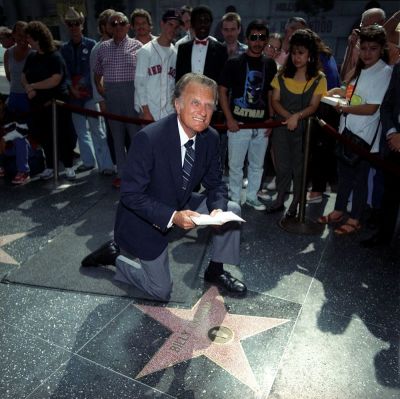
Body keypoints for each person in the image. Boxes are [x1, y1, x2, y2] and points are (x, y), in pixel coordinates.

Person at [81, 73, 247, 301]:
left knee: (232, 209)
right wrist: (173, 216)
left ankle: (216, 270)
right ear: (177, 104)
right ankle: (113, 258)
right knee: (160, 290)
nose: (203, 111)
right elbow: (130, 195)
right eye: (195, 102)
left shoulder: (210, 138)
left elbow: (215, 183)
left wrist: (217, 209)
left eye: (209, 105)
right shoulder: (149, 139)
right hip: (145, 218)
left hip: (180, 199)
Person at [318, 25, 392, 235]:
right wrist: (339, 91)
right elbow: (351, 92)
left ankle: (356, 218)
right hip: (346, 132)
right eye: (364, 48)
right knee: (344, 176)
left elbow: (371, 108)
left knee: (360, 180)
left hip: (365, 137)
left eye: (373, 49)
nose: (367, 53)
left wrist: (344, 107)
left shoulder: (384, 72)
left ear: (381, 49)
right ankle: (339, 210)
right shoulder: (360, 69)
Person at [267, 29, 327, 218]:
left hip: (305, 130)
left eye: (301, 53)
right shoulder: (282, 74)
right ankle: (280, 198)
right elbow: (275, 101)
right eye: (293, 52)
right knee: (282, 167)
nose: (296, 57)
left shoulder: (319, 78)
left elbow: (313, 105)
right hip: (282, 128)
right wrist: (288, 117)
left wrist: (296, 117)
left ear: (310, 54)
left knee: (299, 169)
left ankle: (295, 204)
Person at [218, 19, 276, 211]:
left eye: (261, 38)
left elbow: (269, 92)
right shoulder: (234, 62)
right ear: (247, 38)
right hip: (239, 124)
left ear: (266, 39)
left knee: (257, 165)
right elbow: (222, 91)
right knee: (235, 166)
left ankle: (252, 197)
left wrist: (270, 118)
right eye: (254, 37)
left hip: (261, 125)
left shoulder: (270, 64)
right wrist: (229, 119)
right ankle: (234, 199)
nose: (257, 42)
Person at [61, 7, 113, 175]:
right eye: (70, 24)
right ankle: (88, 161)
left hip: (90, 94)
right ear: (67, 26)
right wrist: (71, 87)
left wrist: (81, 85)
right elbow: (65, 71)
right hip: (73, 96)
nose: (74, 27)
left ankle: (105, 165)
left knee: (97, 130)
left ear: (82, 25)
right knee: (80, 130)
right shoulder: (64, 49)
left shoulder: (92, 45)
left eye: (76, 23)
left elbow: (93, 69)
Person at [21, 21, 76, 180]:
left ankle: (68, 165)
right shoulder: (31, 56)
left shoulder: (54, 56)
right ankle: (51, 166)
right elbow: (23, 76)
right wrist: (28, 88)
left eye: (30, 38)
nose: (28, 41)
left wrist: (32, 86)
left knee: (63, 134)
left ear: (38, 38)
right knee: (44, 135)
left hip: (57, 102)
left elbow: (55, 79)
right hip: (38, 103)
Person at [94, 12, 142, 188]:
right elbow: (97, 73)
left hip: (131, 94)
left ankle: (138, 175)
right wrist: (101, 90)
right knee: (117, 138)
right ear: (109, 27)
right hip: (112, 95)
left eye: (122, 23)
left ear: (128, 25)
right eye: (113, 24)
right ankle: (122, 174)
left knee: (135, 137)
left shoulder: (138, 46)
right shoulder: (103, 48)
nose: (118, 26)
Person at [360, 63, 400, 247]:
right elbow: (387, 105)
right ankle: (383, 236)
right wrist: (392, 133)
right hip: (393, 142)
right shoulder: (398, 67)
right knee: (390, 193)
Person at [134, 9, 181, 122]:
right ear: (162, 24)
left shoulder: (175, 53)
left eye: (176, 26)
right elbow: (139, 84)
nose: (173, 29)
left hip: (169, 113)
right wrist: (145, 111)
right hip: (150, 111)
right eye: (170, 24)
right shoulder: (145, 51)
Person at [175, 5, 228, 83]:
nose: (203, 25)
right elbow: (179, 80)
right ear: (193, 24)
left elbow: (223, 81)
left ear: (210, 24)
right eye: (199, 21)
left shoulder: (220, 49)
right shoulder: (183, 49)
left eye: (206, 21)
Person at [340, 8, 385, 83]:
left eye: (373, 48)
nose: (367, 53)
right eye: (363, 26)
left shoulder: (389, 47)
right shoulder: (355, 43)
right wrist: (351, 47)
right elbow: (344, 79)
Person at [4, 21, 33, 119]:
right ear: (14, 35)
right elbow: (9, 76)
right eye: (20, 35)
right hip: (13, 97)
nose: (23, 39)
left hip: (29, 98)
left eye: (26, 36)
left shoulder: (33, 53)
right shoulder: (8, 53)